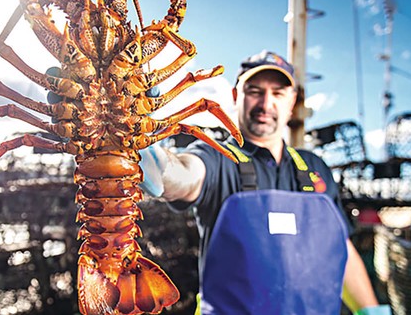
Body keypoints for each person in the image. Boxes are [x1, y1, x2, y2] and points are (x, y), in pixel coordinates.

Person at [140, 50, 391, 314]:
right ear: (237, 96)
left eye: (278, 93)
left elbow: (340, 248)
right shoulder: (218, 157)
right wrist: (161, 167)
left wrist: (369, 309)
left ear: (291, 102)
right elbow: (187, 174)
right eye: (255, 91)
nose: (266, 103)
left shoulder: (315, 168)